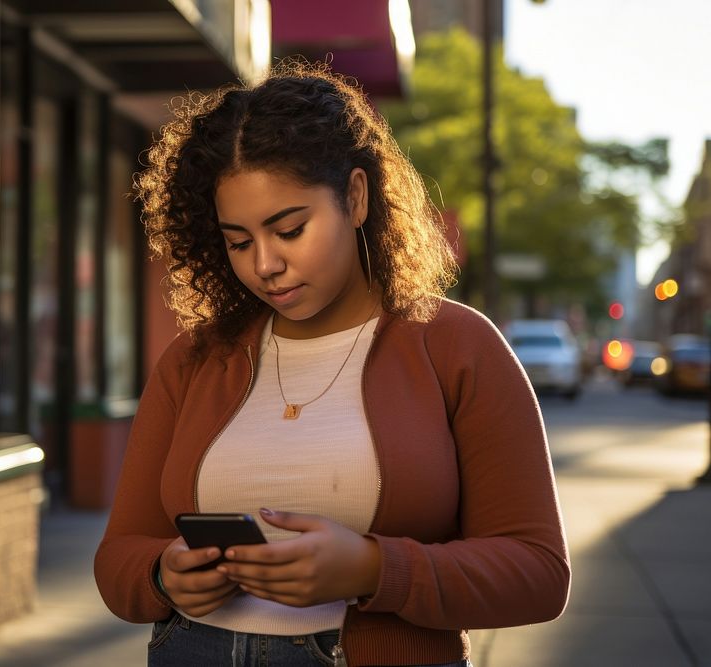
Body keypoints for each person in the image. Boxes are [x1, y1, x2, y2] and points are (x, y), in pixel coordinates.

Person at [94, 60, 570, 667]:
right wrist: (163, 574)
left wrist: (376, 568)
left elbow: (537, 573)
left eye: (289, 230)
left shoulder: (456, 346)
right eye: (238, 242)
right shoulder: (196, 359)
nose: (263, 264)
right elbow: (117, 559)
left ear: (355, 197)